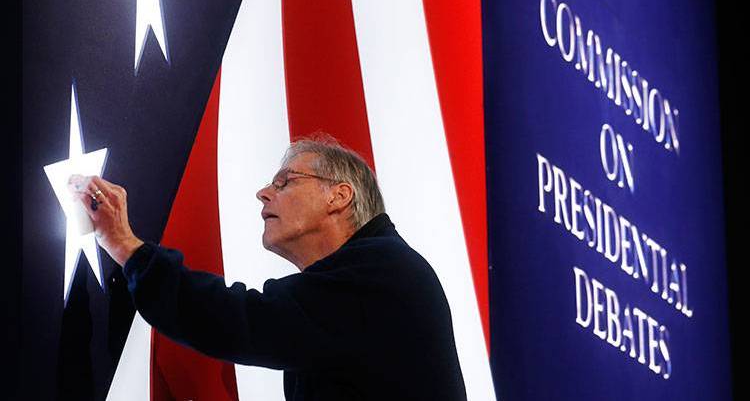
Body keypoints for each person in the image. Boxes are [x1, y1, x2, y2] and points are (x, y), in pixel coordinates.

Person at [69, 137, 467, 400]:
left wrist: (126, 247)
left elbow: (244, 319)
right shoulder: (371, 277)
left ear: (339, 196)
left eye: (284, 182)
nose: (263, 192)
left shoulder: (385, 273)